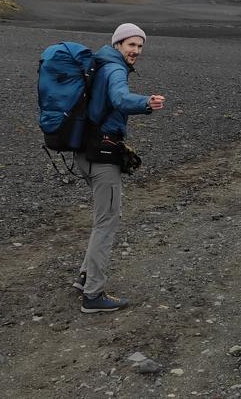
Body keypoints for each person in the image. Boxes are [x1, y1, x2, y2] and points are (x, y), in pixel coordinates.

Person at [73, 22, 166, 313]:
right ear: (118, 45)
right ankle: (93, 295)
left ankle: (85, 277)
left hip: (84, 151)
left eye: (140, 46)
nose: (136, 50)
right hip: (102, 155)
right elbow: (119, 98)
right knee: (107, 222)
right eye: (131, 45)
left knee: (102, 218)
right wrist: (146, 103)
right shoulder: (114, 69)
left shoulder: (100, 63)